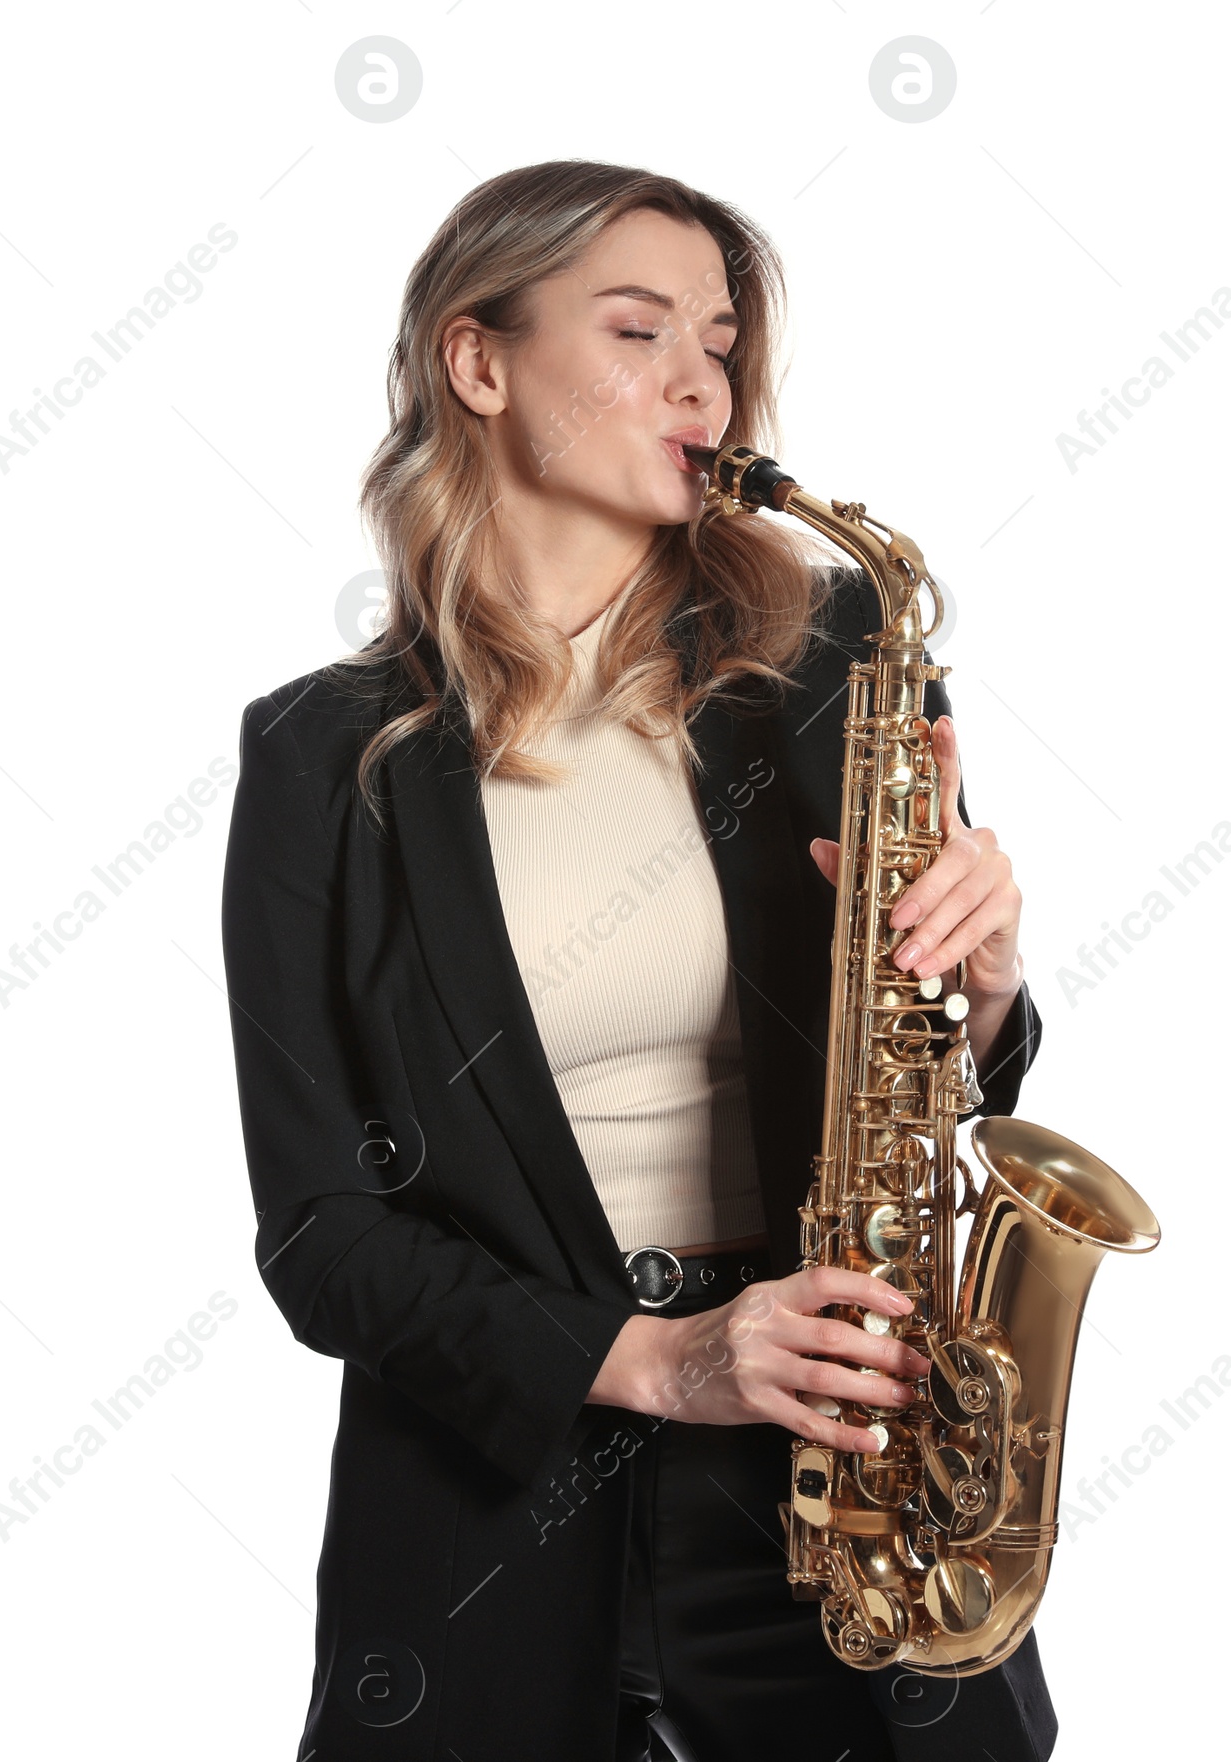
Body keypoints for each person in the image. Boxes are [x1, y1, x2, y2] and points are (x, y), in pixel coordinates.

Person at [221, 159, 1053, 1762]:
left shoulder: (830, 671)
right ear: (478, 362)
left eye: (724, 339)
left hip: (854, 1474)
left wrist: (990, 982)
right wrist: (663, 1360)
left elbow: (930, 1075)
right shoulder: (323, 758)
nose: (704, 382)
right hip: (493, 1516)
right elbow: (322, 1233)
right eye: (638, 328)